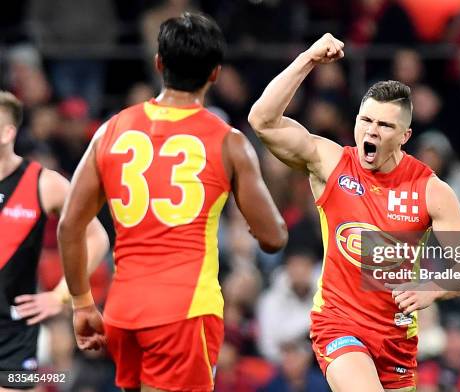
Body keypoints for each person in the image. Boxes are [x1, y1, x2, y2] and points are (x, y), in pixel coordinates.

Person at [57, 12, 287, 392]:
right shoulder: (227, 141)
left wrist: (82, 304)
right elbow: (274, 237)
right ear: (215, 73)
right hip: (185, 311)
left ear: (158, 63)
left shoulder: (111, 130)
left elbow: (69, 226)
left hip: (123, 310)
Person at [249, 33, 460, 392]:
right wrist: (308, 58)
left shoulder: (430, 190)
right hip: (339, 325)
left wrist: (432, 289)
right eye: (365, 120)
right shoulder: (329, 162)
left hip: (397, 341)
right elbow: (263, 120)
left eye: (384, 125)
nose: (370, 131)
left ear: (404, 136)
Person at [0, 92, 109, 377]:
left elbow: (96, 237)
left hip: (11, 330)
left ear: (7, 133)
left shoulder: (43, 183)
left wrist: (60, 295)